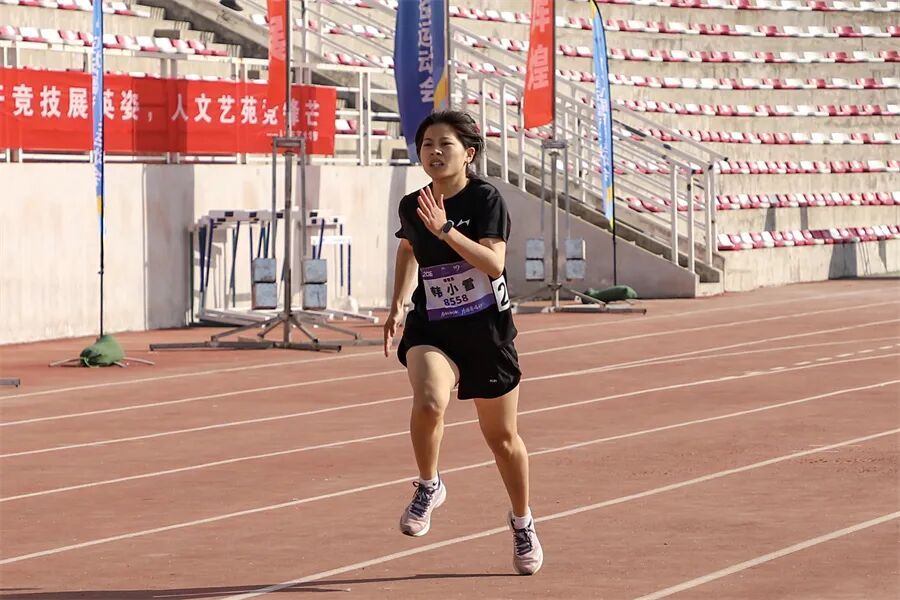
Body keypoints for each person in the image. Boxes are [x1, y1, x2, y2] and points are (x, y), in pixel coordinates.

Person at [383, 110, 543, 575]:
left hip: (485, 331)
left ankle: (522, 521)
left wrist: (446, 230)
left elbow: (494, 264)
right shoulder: (413, 204)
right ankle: (429, 484)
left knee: (502, 439)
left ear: (468, 153)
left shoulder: (486, 198)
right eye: (427, 144)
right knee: (430, 400)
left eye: (445, 144)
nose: (434, 152)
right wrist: (397, 305)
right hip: (432, 327)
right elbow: (408, 248)